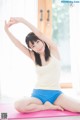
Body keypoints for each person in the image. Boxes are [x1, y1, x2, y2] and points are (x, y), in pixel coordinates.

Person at [4, 17, 80, 113]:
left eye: (37, 42)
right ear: (32, 49)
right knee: (18, 105)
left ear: (42, 40)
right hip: (38, 95)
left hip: (56, 94)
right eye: (33, 46)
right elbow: (18, 45)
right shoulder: (34, 57)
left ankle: (51, 104)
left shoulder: (54, 50)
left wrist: (22, 21)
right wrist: (6, 31)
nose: (37, 46)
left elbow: (39, 33)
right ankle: (47, 107)